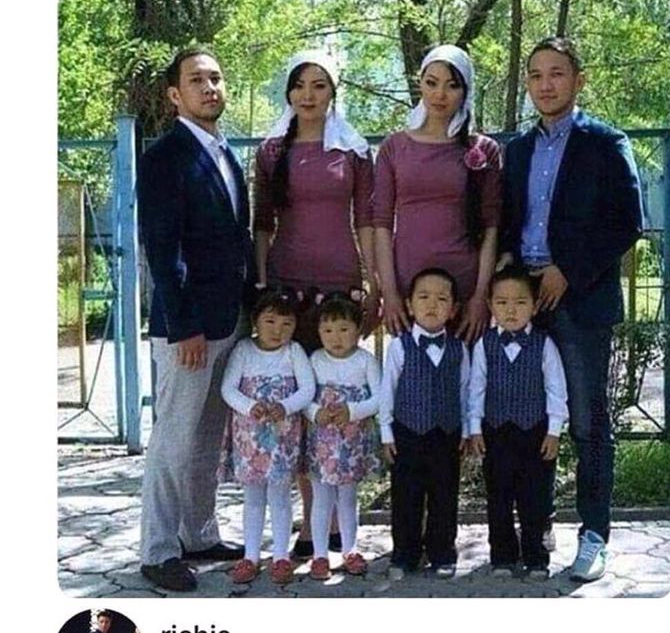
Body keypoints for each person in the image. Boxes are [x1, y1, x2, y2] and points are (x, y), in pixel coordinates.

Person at [499, 36, 644, 581]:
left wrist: (568, 270)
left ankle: (594, 535)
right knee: (528, 417)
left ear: (578, 79)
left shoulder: (605, 143)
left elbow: (625, 221)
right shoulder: (516, 149)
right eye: (535, 75)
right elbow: (508, 219)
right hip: (522, 299)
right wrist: (514, 272)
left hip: (579, 299)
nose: (544, 84)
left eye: (556, 73)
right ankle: (536, 530)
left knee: (586, 421)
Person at [138, 47, 256, 591]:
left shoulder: (226, 154)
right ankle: (159, 551)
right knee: (174, 438)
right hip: (187, 328)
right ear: (174, 95)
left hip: (227, 319)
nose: (210, 87)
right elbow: (162, 248)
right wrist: (183, 325)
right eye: (196, 80)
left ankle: (199, 534)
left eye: (216, 77)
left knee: (209, 436)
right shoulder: (167, 155)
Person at [253, 49, 377, 558]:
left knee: (331, 398)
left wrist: (374, 285)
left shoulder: (352, 151)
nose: (309, 94)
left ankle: (326, 523)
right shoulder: (270, 151)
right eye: (300, 84)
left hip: (339, 287)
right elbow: (262, 224)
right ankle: (303, 525)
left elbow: (368, 222)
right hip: (285, 286)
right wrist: (263, 283)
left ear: (333, 92)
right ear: (288, 92)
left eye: (319, 85)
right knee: (296, 403)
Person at [374, 44, 503, 343]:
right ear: (420, 84)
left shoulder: (484, 150)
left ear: (465, 91)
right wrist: (390, 293)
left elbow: (491, 228)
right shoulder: (394, 147)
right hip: (408, 291)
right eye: (431, 83)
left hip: (464, 287)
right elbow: (380, 224)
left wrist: (479, 296)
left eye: (452, 85)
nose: (440, 95)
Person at [469, 266, 568, 579]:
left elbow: (556, 390)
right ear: (490, 305)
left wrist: (554, 431)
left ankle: (536, 557)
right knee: (498, 497)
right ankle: (502, 556)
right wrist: (474, 428)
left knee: (534, 498)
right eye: (502, 303)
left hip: (535, 433)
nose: (511, 310)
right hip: (496, 432)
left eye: (520, 302)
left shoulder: (544, 344)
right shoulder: (484, 345)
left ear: (535, 305)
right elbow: (476, 388)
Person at [219, 288, 315, 586]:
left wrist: (285, 407)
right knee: (253, 498)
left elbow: (307, 390)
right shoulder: (244, 351)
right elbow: (228, 389)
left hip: (283, 439)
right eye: (271, 321)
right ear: (255, 321)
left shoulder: (294, 352)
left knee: (281, 497)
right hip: (250, 440)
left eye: (287, 324)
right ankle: (250, 556)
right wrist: (251, 407)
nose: (278, 330)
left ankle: (281, 557)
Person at [379, 268, 470, 579]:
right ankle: (404, 554)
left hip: (446, 433)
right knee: (406, 496)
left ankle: (443, 551)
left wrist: (468, 431)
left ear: (454, 308)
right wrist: (386, 432)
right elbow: (386, 391)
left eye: (442, 298)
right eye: (424, 297)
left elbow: (466, 391)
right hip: (407, 433)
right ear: (408, 304)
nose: (432, 305)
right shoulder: (399, 346)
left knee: (444, 495)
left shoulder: (460, 349)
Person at [304, 293, 381, 580]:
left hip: (352, 441)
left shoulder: (365, 361)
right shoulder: (314, 360)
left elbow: (380, 398)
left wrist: (354, 410)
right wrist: (315, 412)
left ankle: (350, 548)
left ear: (358, 330)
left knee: (348, 498)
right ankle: (320, 554)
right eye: (327, 330)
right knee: (321, 497)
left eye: (344, 329)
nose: (335, 337)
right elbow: (305, 396)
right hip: (322, 442)